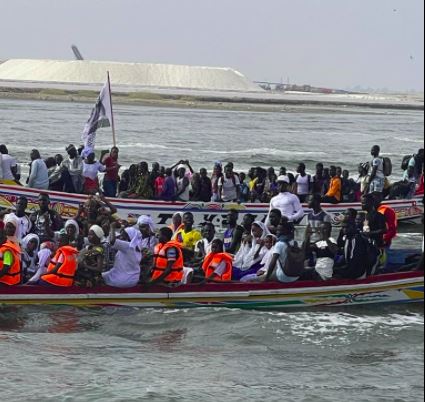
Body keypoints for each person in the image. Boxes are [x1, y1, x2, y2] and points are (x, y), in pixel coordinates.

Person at [102, 223, 142, 288]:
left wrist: (112, 227)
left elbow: (112, 241)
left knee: (100, 277)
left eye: (123, 236)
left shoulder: (128, 246)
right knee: (105, 274)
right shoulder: (137, 247)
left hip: (123, 279)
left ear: (129, 237)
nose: (120, 237)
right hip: (133, 278)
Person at [266, 218, 301, 283]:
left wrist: (266, 278)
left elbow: (273, 262)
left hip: (283, 276)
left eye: (279, 230)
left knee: (257, 278)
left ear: (286, 231)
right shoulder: (295, 242)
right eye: (277, 230)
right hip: (296, 275)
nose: (277, 232)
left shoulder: (279, 244)